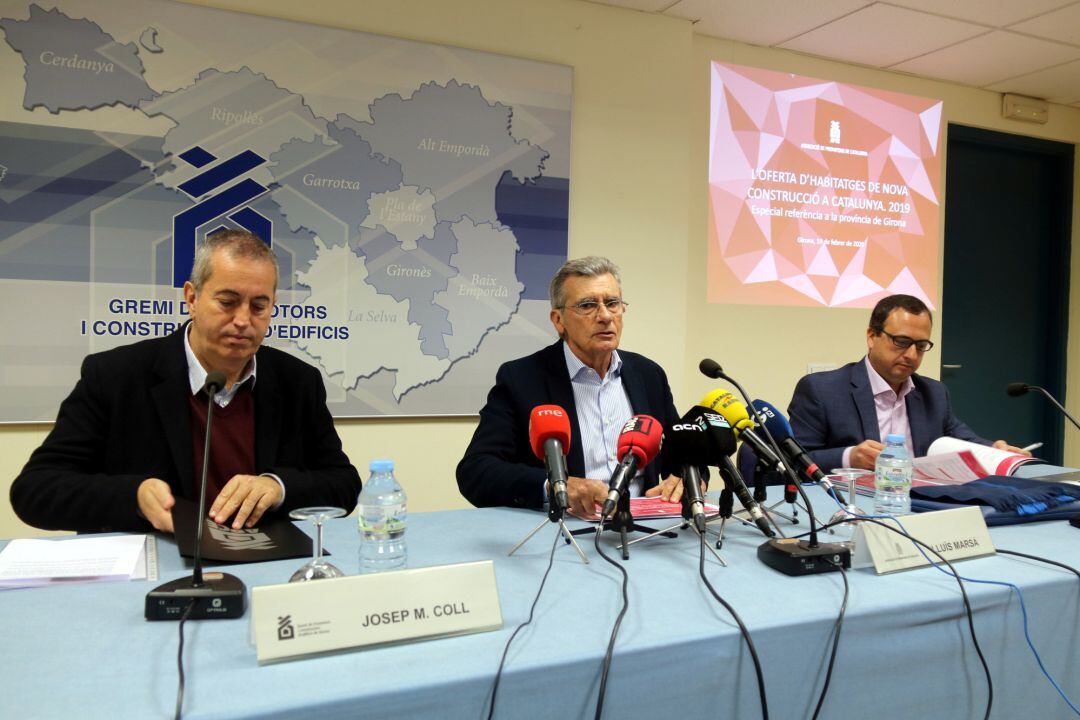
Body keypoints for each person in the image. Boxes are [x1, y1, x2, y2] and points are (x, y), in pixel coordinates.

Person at [11, 230, 361, 534]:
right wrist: (133, 495)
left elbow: (344, 486)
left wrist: (278, 487)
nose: (243, 320)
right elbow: (34, 490)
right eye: (228, 302)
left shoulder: (298, 382)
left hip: (264, 563)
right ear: (192, 298)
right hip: (155, 568)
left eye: (258, 306)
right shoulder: (116, 376)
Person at [456, 256, 682, 517]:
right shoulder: (521, 378)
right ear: (558, 320)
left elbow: (682, 452)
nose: (605, 316)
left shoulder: (648, 374)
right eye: (588, 305)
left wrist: (686, 479)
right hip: (568, 533)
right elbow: (475, 471)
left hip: (646, 532)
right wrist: (556, 486)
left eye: (612, 303)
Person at [788, 293, 1029, 472]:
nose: (912, 355)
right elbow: (790, 462)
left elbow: (961, 439)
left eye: (921, 346)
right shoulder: (822, 390)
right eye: (901, 342)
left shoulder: (933, 392)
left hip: (923, 502)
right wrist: (849, 457)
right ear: (872, 336)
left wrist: (995, 450)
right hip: (852, 507)